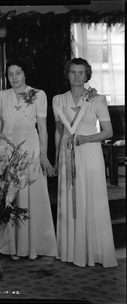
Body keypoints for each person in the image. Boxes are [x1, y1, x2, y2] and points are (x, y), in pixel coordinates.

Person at [53, 58, 117, 268]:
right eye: (73, 72)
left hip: (89, 153)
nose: (77, 76)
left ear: (87, 75)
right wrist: (57, 157)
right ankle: (71, 251)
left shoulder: (97, 99)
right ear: (67, 74)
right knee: (70, 200)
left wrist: (86, 139)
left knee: (90, 198)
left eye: (81, 73)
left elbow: (108, 132)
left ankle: (93, 251)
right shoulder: (58, 100)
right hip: (66, 154)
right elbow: (59, 131)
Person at [0, 59, 58, 261]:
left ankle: (33, 245)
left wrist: (43, 155)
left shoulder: (38, 94)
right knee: (10, 197)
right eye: (10, 74)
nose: (14, 77)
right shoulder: (2, 95)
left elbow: (43, 128)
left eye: (18, 73)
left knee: (30, 194)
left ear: (25, 75)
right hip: (7, 150)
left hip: (30, 148)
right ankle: (13, 246)